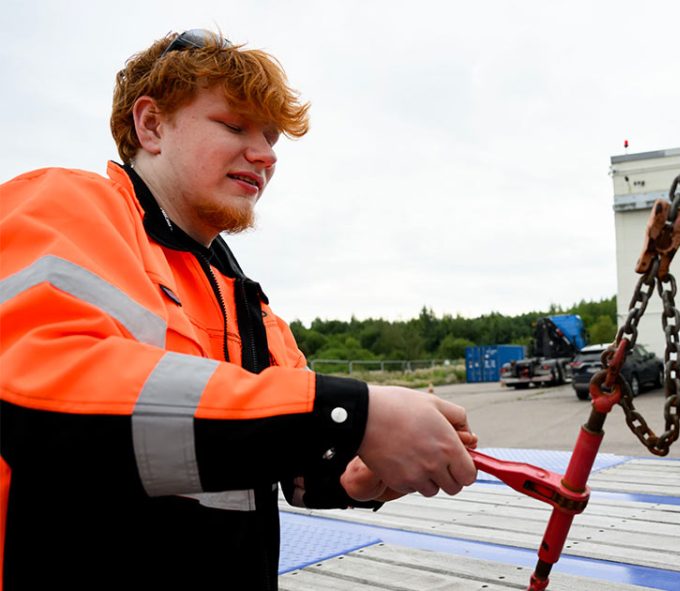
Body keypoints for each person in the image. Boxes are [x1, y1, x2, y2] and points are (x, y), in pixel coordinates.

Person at [0, 29, 478, 589]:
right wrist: (354, 413)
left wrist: (350, 473)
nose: (268, 155)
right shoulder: (67, 206)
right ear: (150, 125)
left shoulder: (247, 300)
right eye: (235, 126)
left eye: (272, 138)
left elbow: (270, 450)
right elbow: (39, 402)